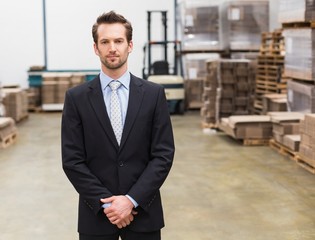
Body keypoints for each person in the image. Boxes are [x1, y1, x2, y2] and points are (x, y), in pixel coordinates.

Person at [61, 10, 175, 240]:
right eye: (105, 42)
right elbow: (72, 160)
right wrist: (109, 206)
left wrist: (131, 200)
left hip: (143, 212)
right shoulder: (77, 98)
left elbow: (163, 155)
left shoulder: (153, 94)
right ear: (96, 48)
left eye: (118, 41)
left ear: (129, 45)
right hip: (97, 215)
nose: (112, 47)